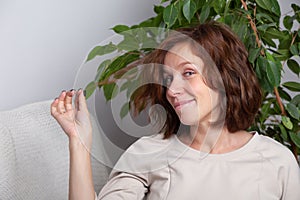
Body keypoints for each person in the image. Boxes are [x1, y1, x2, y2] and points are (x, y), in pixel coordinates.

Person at [51, 21, 300, 200]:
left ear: (225, 76)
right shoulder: (149, 152)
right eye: (168, 79)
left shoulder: (277, 160)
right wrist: (79, 142)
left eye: (188, 73)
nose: (171, 90)